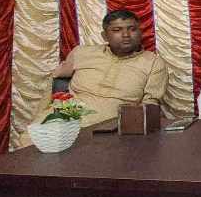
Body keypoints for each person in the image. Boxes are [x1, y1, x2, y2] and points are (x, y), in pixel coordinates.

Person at [34, 9, 168, 128]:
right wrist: (41, 115)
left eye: (132, 29)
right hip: (67, 114)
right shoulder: (82, 53)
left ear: (140, 33)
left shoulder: (153, 62)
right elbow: (55, 79)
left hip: (110, 123)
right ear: (105, 36)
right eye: (117, 30)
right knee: (30, 139)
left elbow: (150, 104)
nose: (126, 35)